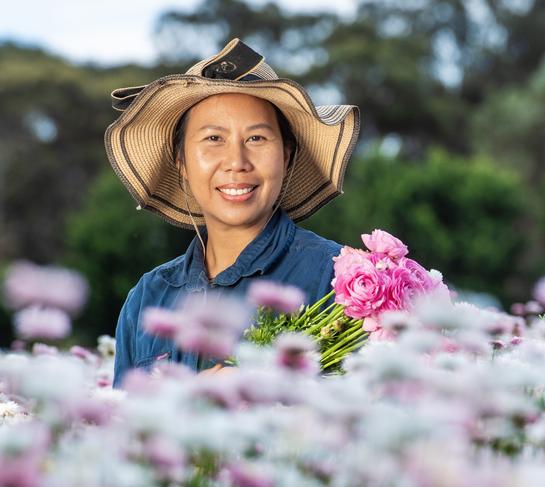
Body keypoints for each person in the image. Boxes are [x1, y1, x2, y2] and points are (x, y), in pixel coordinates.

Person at [105, 38, 360, 387]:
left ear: (286, 156)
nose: (237, 163)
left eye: (256, 139)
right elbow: (126, 432)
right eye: (213, 139)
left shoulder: (339, 281)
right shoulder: (148, 298)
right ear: (180, 161)